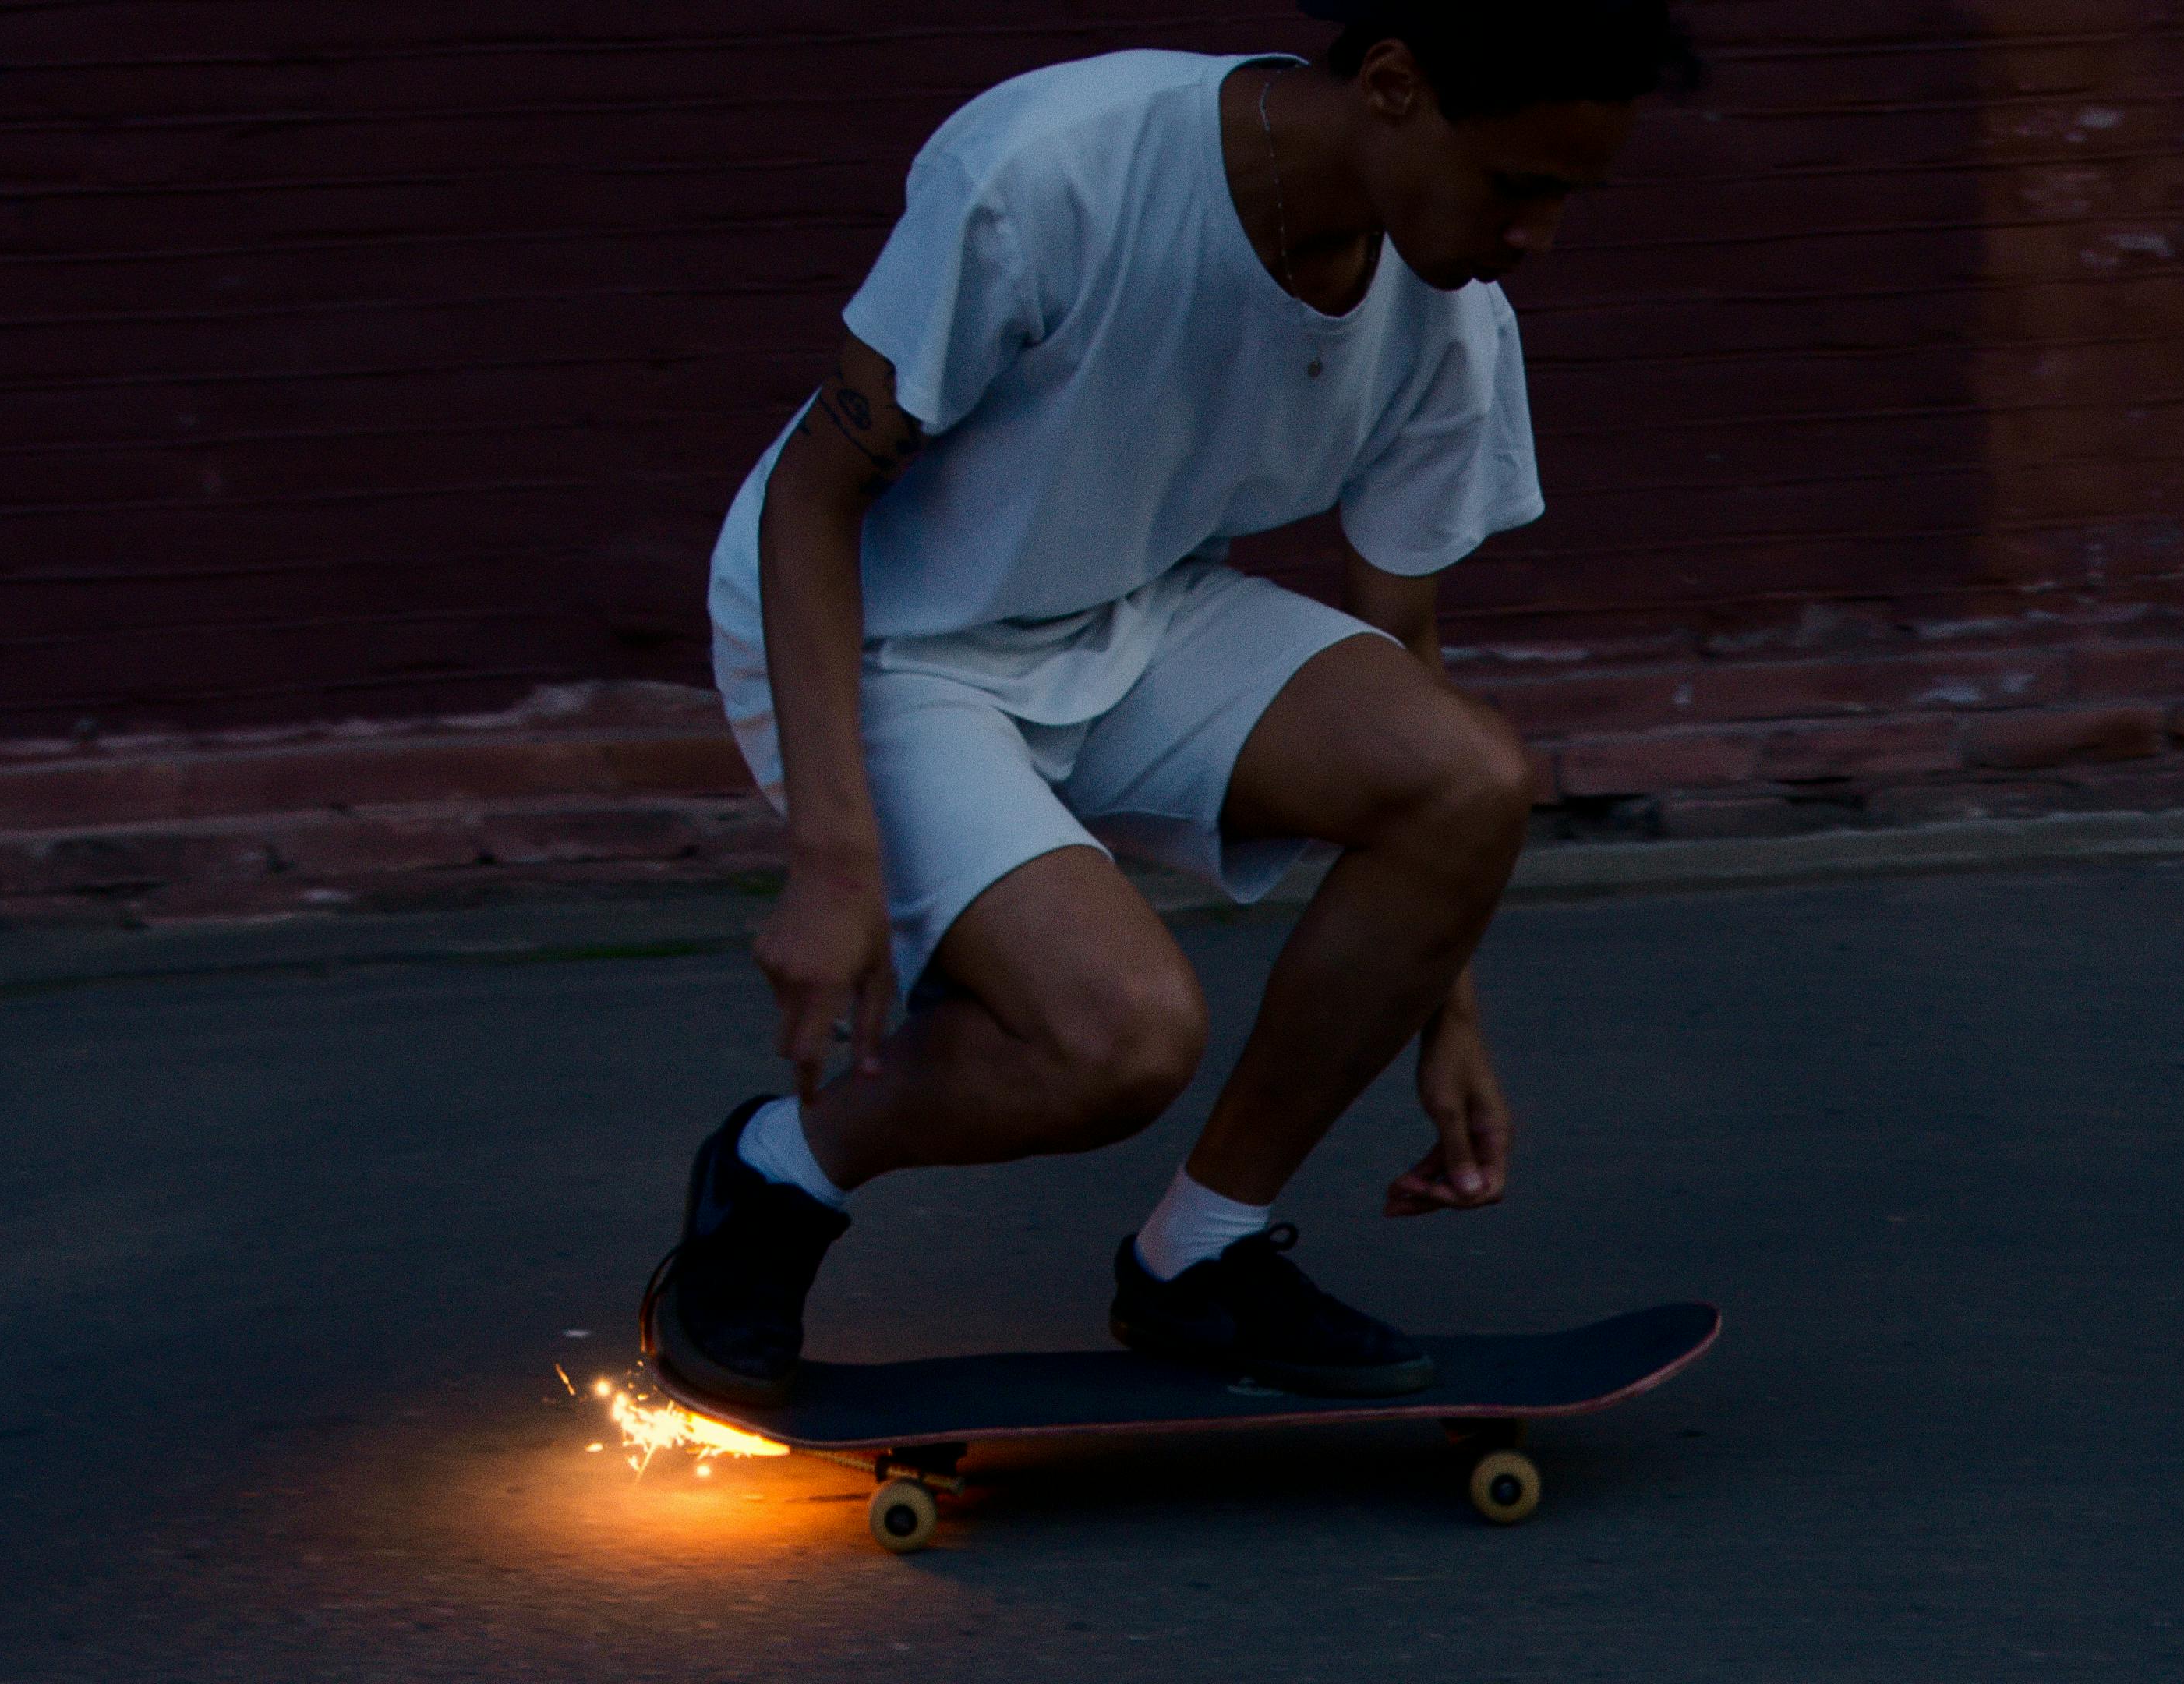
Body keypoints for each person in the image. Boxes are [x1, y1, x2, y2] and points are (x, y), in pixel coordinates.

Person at [649, 0, 1701, 1407]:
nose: (1537, 237)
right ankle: (777, 1176)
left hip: (1131, 610)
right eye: (1517, 184)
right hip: (895, 639)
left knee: (1468, 776)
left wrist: (1443, 1011)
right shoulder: (1060, 168)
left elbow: (1403, 648)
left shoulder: (1451, 327)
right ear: (1392, 87)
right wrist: (834, 861)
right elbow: (812, 496)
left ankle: (1200, 1261)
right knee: (1120, 1042)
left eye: (1572, 199)